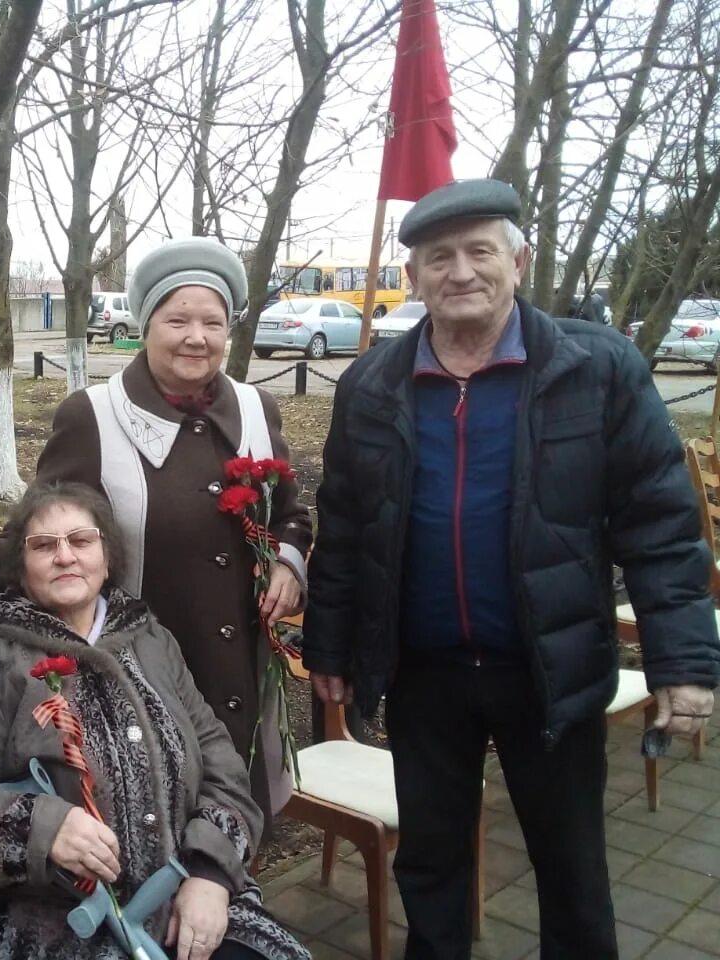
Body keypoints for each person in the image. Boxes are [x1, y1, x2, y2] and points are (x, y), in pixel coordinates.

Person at [303, 178, 720, 960]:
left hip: (549, 667)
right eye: (438, 257)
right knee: (430, 861)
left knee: (568, 865)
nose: (460, 271)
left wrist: (684, 663)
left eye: (478, 251)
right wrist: (328, 648)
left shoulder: (596, 369)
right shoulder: (372, 385)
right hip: (424, 673)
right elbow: (349, 527)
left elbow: (660, 528)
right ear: (415, 277)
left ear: (518, 260)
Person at [0, 237, 314, 825]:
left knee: (236, 820)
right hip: (139, 674)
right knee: (158, 826)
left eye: (212, 322)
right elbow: (38, 526)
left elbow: (290, 515)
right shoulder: (93, 416)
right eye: (177, 319)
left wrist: (289, 563)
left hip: (244, 675)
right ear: (145, 325)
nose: (196, 337)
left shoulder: (256, 408)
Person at [0, 481, 311, 960]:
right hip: (47, 919)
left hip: (181, 892)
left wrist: (210, 875)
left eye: (82, 540)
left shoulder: (150, 640)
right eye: (44, 545)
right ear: (20, 568)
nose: (65, 556)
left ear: (107, 557)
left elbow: (221, 764)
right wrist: (45, 830)